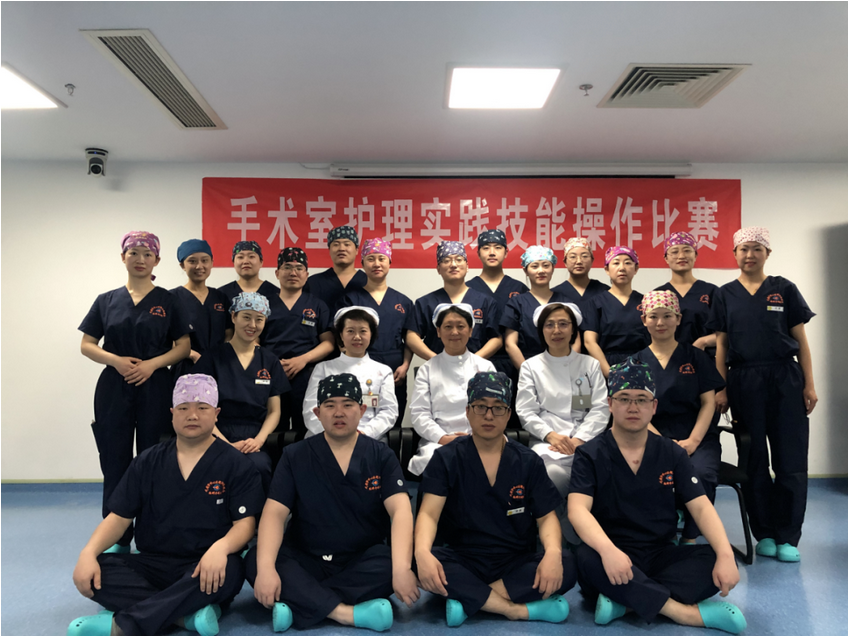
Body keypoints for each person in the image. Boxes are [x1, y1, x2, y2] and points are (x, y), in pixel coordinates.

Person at [68, 375, 264, 637]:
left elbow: (245, 524)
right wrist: (88, 552)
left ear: (216, 414)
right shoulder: (147, 461)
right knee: (98, 570)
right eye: (183, 408)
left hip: (203, 562)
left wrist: (221, 548)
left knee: (230, 571)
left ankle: (127, 624)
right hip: (152, 562)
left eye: (202, 407)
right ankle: (184, 616)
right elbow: (119, 518)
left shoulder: (236, 464)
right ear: (172, 414)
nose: (192, 415)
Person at [568, 359, 746, 634]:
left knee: (716, 558)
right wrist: (608, 551)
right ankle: (683, 613)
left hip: (660, 552)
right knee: (583, 557)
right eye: (624, 398)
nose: (633, 407)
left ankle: (626, 603)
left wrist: (724, 554)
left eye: (641, 399)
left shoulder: (672, 453)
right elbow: (577, 510)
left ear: (653, 407)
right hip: (612, 551)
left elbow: (700, 507)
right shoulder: (590, 454)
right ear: (610, 404)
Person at [246, 373, 419, 632]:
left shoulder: (381, 455)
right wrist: (266, 568)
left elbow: (401, 511)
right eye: (330, 405)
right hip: (307, 558)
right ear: (317, 413)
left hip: (359, 560)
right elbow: (274, 513)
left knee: (399, 563)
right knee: (255, 561)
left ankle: (301, 603)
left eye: (348, 404)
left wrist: (402, 569)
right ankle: (345, 613)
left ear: (362, 410)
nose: (339, 412)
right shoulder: (295, 455)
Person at [415, 371, 576, 627]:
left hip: (514, 561)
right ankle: (514, 610)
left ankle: (471, 599)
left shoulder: (528, 461)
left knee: (566, 563)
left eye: (498, 408)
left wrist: (553, 553)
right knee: (418, 560)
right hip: (464, 559)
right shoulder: (446, 458)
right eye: (481, 406)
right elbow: (428, 514)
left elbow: (547, 518)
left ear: (509, 414)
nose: (489, 415)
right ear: (468, 411)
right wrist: (422, 552)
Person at [707, 227, 817, 563]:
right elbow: (722, 345)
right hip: (744, 380)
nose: (749, 255)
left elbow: (801, 342)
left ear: (767, 253)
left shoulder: (784, 289)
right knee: (753, 459)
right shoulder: (725, 294)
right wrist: (722, 386)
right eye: (743, 249)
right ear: (734, 254)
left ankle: (788, 536)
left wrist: (809, 384)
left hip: (785, 378)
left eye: (757, 248)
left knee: (790, 459)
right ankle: (765, 533)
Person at [79, 231, 191, 550]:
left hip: (155, 384)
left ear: (157, 260)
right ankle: (117, 535)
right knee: (114, 459)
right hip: (114, 386)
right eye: (134, 253)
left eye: (147, 254)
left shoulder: (169, 300)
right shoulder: (106, 300)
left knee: (154, 456)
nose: (140, 259)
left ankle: (151, 532)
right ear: (123, 257)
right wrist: (116, 361)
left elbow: (183, 346)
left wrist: (152, 365)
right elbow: (87, 344)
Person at [634, 290, 725, 543]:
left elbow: (708, 403)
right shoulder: (636, 363)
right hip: (652, 438)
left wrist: (693, 441)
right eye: (653, 316)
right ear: (644, 320)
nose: (660, 322)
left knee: (701, 473)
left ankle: (690, 538)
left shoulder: (696, 357)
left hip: (698, 436)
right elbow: (636, 409)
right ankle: (661, 534)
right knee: (649, 475)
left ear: (678, 319)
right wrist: (664, 443)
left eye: (667, 316)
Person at [516, 302, 609, 543]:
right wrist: (552, 436)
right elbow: (526, 411)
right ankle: (564, 526)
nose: (556, 330)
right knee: (553, 475)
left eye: (563, 324)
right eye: (550, 325)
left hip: (586, 442)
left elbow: (600, 408)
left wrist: (580, 439)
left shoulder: (589, 365)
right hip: (547, 443)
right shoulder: (531, 366)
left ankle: (571, 523)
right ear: (541, 331)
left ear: (573, 329)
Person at [193, 292, 289, 493]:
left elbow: (274, 411)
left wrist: (259, 440)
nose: (252, 325)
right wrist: (224, 443)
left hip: (255, 437)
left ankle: (257, 514)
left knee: (259, 466)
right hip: (215, 434)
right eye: (246, 317)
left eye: (259, 319)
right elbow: (200, 408)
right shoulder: (212, 358)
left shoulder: (269, 361)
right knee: (215, 467)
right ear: (233, 317)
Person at [407, 304, 496, 477]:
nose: (455, 332)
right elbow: (419, 413)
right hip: (438, 441)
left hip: (481, 438)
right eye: (448, 327)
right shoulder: (427, 369)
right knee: (437, 460)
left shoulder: (486, 367)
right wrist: (443, 438)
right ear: (438, 332)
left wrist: (475, 437)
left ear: (470, 331)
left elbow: (493, 409)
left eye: (461, 326)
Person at [342, 238, 413, 426]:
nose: (376, 264)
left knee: (392, 419)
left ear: (390, 262)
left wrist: (405, 365)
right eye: (371, 259)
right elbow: (341, 337)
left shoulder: (403, 302)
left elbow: (409, 338)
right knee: (361, 417)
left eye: (381, 258)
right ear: (362, 263)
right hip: (360, 365)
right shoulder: (351, 300)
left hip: (395, 369)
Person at [262, 247, 334, 433]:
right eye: (287, 267)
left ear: (306, 274)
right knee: (273, 429)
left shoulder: (317, 305)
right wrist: (272, 364)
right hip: (270, 373)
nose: (293, 273)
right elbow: (253, 340)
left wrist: (302, 360)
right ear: (277, 273)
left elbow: (328, 343)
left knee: (307, 427)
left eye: (299, 268)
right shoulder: (264, 304)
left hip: (307, 375)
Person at [303, 306, 398, 442]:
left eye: (363, 331)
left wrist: (364, 434)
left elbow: (389, 411)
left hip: (368, 437)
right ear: (341, 335)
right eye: (350, 331)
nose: (357, 337)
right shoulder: (323, 368)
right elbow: (310, 409)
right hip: (325, 437)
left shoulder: (383, 371)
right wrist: (331, 435)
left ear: (371, 334)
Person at [406, 241, 502, 362]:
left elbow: (496, 338)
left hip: (475, 368)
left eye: (459, 259)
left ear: (467, 266)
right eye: (446, 261)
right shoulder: (425, 303)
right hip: (438, 368)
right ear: (438, 269)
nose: (453, 265)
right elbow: (411, 336)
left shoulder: (485, 302)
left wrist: (474, 361)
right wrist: (436, 360)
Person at [466, 228, 528, 378]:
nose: (492, 252)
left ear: (506, 252)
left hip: (513, 363)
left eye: (498, 247)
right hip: (475, 363)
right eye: (486, 248)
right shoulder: (468, 289)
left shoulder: (519, 289)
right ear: (478, 253)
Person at [502, 245, 573, 370]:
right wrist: (528, 373)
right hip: (527, 364)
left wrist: (568, 366)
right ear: (525, 271)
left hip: (563, 365)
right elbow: (510, 344)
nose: (541, 271)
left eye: (546, 265)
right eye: (534, 266)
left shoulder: (565, 302)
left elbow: (575, 340)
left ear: (553, 268)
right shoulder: (516, 303)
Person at [582, 246, 649, 377]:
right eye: (616, 263)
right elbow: (589, 342)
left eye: (628, 263)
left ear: (636, 269)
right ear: (607, 269)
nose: (622, 268)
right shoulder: (595, 303)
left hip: (642, 364)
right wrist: (610, 373)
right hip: (606, 365)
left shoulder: (645, 302)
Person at [170, 239, 232, 379]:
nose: (199, 266)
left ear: (212, 263)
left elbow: (229, 333)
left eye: (205, 260)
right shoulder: (171, 298)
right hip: (185, 367)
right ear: (182, 265)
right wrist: (190, 353)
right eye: (192, 261)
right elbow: (164, 338)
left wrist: (221, 354)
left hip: (219, 366)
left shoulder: (220, 297)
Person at [654, 232, 718, 352]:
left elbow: (726, 331)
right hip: (668, 358)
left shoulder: (711, 292)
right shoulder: (658, 294)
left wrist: (703, 341)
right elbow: (651, 333)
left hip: (704, 358)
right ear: (666, 258)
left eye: (687, 251)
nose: (681, 256)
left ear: (695, 255)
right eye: (674, 252)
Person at [304, 225, 368, 314]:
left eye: (347, 244)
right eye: (336, 244)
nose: (341, 248)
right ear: (329, 250)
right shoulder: (313, 283)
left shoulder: (368, 282)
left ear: (357, 250)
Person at [551, 237, 610, 308]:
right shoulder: (555, 294)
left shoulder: (605, 291)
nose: (579, 261)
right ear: (565, 262)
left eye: (584, 256)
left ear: (592, 260)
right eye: (573, 257)